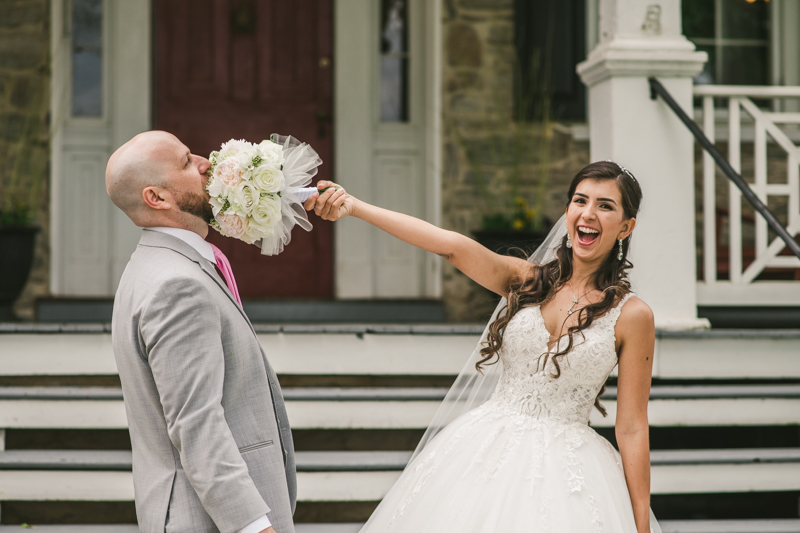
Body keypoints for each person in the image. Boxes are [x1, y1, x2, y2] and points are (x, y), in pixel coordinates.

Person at [305, 161, 660, 533]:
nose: (588, 214)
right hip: (484, 449)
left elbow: (632, 427)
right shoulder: (527, 280)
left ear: (626, 226)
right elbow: (451, 247)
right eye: (579, 200)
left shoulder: (633, 316)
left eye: (605, 206)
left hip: (570, 471)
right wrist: (356, 207)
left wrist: (640, 525)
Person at [106, 131, 295, 533]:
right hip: (205, 520)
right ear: (157, 197)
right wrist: (254, 528)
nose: (206, 162)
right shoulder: (178, 285)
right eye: (186, 162)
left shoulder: (154, 266)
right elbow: (196, 422)